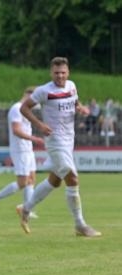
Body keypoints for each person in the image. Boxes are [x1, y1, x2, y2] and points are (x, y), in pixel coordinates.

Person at [18, 57, 101, 237]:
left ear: (68, 72)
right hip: (54, 141)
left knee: (55, 180)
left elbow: (75, 102)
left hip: (69, 140)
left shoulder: (71, 86)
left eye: (63, 72)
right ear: (51, 73)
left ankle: (25, 209)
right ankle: (80, 224)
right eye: (56, 73)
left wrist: (81, 108)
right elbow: (24, 108)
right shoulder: (44, 91)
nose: (60, 76)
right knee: (73, 178)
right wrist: (39, 125)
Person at [0, 87, 44, 218]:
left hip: (28, 148)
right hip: (20, 149)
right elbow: (16, 130)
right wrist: (34, 138)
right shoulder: (17, 108)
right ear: (29, 95)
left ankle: (26, 209)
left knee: (31, 180)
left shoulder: (26, 109)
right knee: (22, 182)